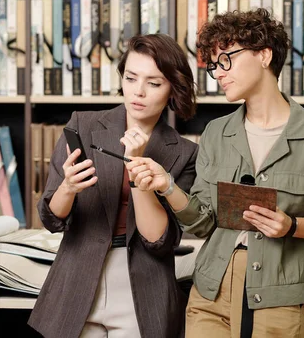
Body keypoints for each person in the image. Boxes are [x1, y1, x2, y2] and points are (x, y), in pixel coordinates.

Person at [126, 9, 304, 338]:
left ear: (264, 56)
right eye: (214, 65)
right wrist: (167, 185)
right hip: (211, 293)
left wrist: (292, 225)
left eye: (227, 60)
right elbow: (203, 221)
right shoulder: (216, 133)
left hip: (280, 299)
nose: (219, 73)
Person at [28, 33, 199, 338]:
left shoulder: (184, 151)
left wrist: (136, 172)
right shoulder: (83, 125)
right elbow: (51, 219)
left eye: (154, 83)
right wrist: (68, 187)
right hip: (77, 281)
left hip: (142, 287)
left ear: (173, 88)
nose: (139, 91)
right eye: (131, 78)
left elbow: (159, 241)